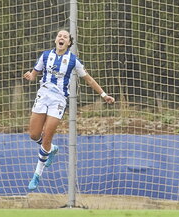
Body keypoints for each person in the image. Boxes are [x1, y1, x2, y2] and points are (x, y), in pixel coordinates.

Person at [24, 30, 115, 190]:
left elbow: (89, 79)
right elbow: (34, 74)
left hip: (58, 100)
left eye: (65, 37)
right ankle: (51, 149)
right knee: (34, 134)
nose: (62, 38)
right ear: (55, 40)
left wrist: (104, 95)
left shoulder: (73, 60)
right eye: (59, 35)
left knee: (47, 136)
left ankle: (36, 175)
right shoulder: (45, 56)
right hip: (43, 95)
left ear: (69, 43)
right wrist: (30, 76)